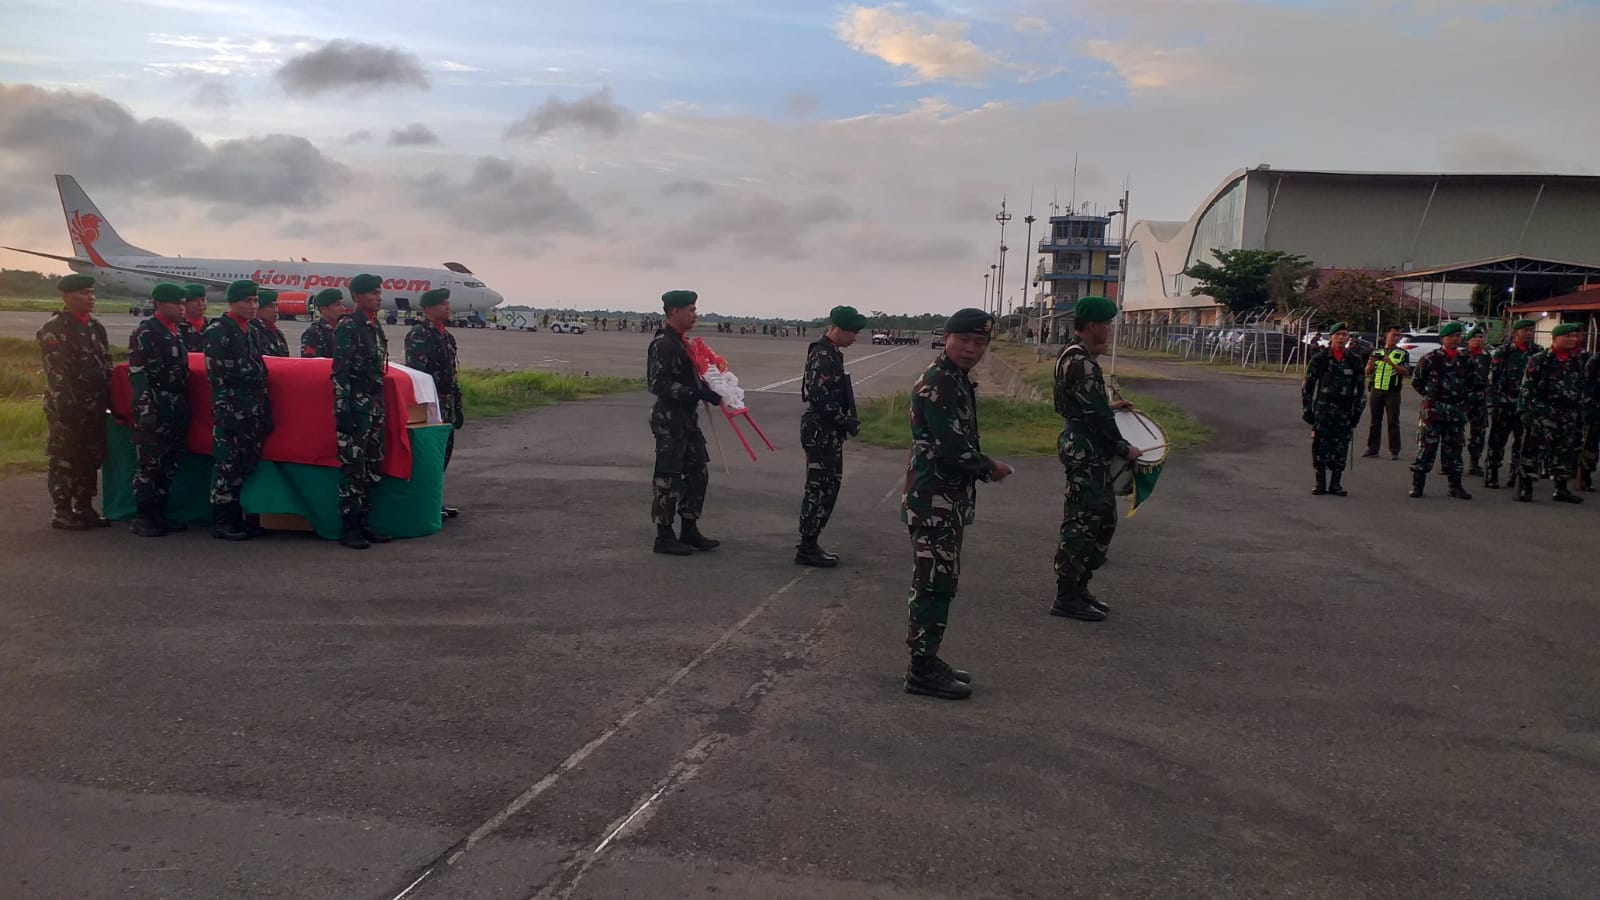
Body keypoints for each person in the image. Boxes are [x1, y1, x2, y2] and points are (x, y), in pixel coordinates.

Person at [901, 308, 1014, 701]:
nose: (971, 349)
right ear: (946, 337)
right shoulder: (939, 383)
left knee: (939, 582)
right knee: (933, 585)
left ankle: (927, 658)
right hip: (934, 500)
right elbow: (952, 449)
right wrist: (990, 467)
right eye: (963, 340)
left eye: (980, 342)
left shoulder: (956, 378)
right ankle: (922, 668)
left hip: (944, 499)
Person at [1051, 296, 1141, 622]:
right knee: (1082, 523)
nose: (1109, 329)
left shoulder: (1077, 357)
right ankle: (1067, 595)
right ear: (1092, 326)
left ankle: (1080, 588)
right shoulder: (1081, 362)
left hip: (1084, 442)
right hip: (1085, 448)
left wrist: (1111, 407)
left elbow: (1084, 405)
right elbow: (1094, 415)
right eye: (1106, 324)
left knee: (1101, 520)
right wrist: (1123, 447)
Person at [35, 273, 112, 530]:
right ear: (66, 297)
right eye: (83, 293)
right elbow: (56, 373)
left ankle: (84, 506)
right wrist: (66, 406)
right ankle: (62, 509)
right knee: (64, 457)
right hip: (68, 407)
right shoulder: (54, 329)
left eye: (91, 292)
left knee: (89, 457)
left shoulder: (95, 327)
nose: (90, 298)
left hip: (95, 405)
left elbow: (106, 366)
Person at [647, 290, 721, 555]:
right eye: (690, 309)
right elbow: (658, 384)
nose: (695, 314)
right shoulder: (663, 344)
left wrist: (712, 386)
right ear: (674, 312)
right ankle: (664, 535)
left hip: (688, 420)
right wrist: (695, 393)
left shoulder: (683, 342)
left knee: (698, 471)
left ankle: (689, 528)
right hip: (670, 420)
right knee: (668, 477)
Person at [796, 305, 866, 567]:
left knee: (829, 486)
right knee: (819, 487)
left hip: (828, 429)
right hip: (820, 429)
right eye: (853, 332)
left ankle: (811, 542)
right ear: (839, 329)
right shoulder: (823, 354)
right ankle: (807, 546)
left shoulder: (832, 353)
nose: (855, 337)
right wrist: (843, 420)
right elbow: (818, 395)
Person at [204, 279, 273, 539]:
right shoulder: (219, 331)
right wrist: (226, 410)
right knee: (226, 465)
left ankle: (239, 517)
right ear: (232, 302)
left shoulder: (251, 330)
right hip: (231, 408)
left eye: (255, 300)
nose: (253, 306)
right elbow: (217, 376)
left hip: (252, 408)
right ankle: (223, 520)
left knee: (244, 464)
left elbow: (260, 370)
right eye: (247, 301)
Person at [333, 273, 393, 548]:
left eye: (379, 292)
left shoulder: (374, 326)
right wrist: (343, 408)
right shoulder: (350, 326)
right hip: (355, 407)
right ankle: (349, 527)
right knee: (353, 468)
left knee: (372, 466)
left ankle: (365, 522)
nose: (378, 297)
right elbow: (341, 371)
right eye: (372, 293)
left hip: (373, 405)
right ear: (356, 297)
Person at [128, 282, 192, 537]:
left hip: (174, 405)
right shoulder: (147, 332)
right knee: (149, 465)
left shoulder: (174, 331)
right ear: (159, 304)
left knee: (168, 463)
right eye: (176, 303)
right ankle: (143, 516)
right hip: (153, 406)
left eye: (182, 303)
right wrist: (146, 411)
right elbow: (138, 375)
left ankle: (160, 514)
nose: (181, 307)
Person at [405, 287, 464, 520]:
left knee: (443, 455)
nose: (447, 308)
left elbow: (453, 374)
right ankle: (423, 503)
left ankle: (435, 501)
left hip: (446, 403)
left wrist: (457, 405)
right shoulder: (419, 334)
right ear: (429, 309)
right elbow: (418, 374)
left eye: (447, 304)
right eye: (442, 304)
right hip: (430, 404)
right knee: (428, 456)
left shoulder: (447, 336)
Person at [1516, 322, 1586, 504]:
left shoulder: (1577, 360)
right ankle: (1526, 486)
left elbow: (1581, 386)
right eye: (1567, 336)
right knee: (1533, 450)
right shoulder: (1540, 359)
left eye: (1574, 336)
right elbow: (1527, 386)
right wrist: (1525, 411)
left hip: (1568, 413)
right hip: (1543, 411)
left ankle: (1561, 488)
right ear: (1555, 339)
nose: (1572, 339)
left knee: (1565, 451)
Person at [1409, 322, 1479, 499]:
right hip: (1433, 411)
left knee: (1454, 450)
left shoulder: (1465, 359)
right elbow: (1417, 380)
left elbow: (1475, 383)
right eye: (1452, 336)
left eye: (1458, 336)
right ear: (1443, 339)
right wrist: (1430, 397)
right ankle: (1417, 485)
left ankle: (1455, 486)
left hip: (1455, 411)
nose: (1456, 339)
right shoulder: (1431, 358)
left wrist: (1463, 399)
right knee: (1426, 448)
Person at [1301, 323, 1365, 497]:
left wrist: (1356, 413)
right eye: (1338, 334)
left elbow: (1360, 389)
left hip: (1344, 412)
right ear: (1331, 337)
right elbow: (1308, 385)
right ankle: (1320, 482)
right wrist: (1308, 410)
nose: (1342, 338)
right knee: (1320, 446)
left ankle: (1336, 483)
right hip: (1323, 409)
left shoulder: (1354, 359)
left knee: (1341, 446)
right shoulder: (1320, 358)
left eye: (1345, 335)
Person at [1484, 319, 1538, 489]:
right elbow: (1492, 380)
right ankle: (1492, 473)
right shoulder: (1504, 352)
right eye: (1525, 330)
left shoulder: (1537, 352)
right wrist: (1492, 404)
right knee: (1497, 441)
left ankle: (1516, 474)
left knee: (1523, 442)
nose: (1529, 333)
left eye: (1531, 330)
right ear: (1515, 332)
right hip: (1505, 402)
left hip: (1526, 405)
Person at [1362, 325, 1410, 459]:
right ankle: (1373, 448)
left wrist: (1392, 364)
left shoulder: (1402, 353)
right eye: (1393, 334)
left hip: (1392, 391)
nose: (1396, 337)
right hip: (1377, 390)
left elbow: (1406, 372)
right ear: (1386, 335)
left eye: (1398, 335)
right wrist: (1370, 365)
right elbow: (1366, 372)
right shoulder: (1377, 352)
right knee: (1374, 421)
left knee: (1393, 421)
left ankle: (1395, 451)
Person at [1464, 325, 1492, 475]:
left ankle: (1474, 463)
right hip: (1462, 398)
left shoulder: (1487, 356)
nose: (1479, 340)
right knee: (1454, 432)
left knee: (1479, 432)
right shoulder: (1462, 355)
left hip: (1480, 399)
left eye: (1481, 337)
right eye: (1475, 337)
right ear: (1469, 340)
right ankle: (1448, 463)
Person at [301, 289, 346, 357]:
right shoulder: (314, 332)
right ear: (323, 309)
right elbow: (310, 362)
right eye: (337, 305)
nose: (343, 308)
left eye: (343, 304)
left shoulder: (345, 329)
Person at [250, 289, 290, 357]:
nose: (275, 310)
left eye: (276, 306)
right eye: (270, 306)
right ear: (257, 308)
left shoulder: (277, 332)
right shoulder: (251, 332)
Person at [1582, 349, 1600, 493]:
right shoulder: (1594, 362)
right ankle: (1585, 476)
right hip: (1595, 409)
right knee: (1590, 446)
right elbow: (1586, 388)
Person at [179, 283, 210, 352]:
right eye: (194, 300)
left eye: (203, 300)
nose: (200, 303)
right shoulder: (177, 327)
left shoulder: (213, 325)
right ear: (184, 303)